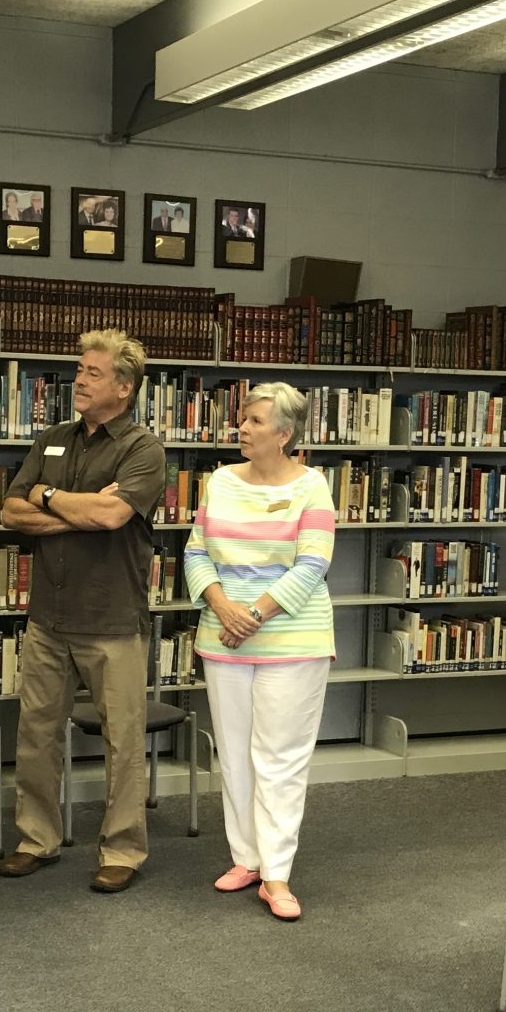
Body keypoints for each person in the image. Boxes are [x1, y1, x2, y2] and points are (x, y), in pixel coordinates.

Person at [0, 329, 167, 893]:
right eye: (79, 370)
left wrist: (47, 497)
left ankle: (122, 850)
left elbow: (113, 518)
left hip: (112, 618)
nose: (79, 379)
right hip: (48, 614)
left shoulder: (142, 448)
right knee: (36, 733)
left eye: (92, 373)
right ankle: (36, 839)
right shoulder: (52, 438)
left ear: (124, 387)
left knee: (123, 740)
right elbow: (10, 511)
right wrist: (72, 508)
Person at [183, 384, 334, 921]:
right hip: (222, 638)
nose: (241, 428)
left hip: (293, 639)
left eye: (253, 421)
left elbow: (313, 564)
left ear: (284, 435)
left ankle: (277, 873)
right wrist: (224, 608)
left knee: (280, 760)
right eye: (241, 419)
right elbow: (195, 552)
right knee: (235, 751)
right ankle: (245, 858)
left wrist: (255, 614)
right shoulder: (220, 481)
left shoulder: (313, 486)